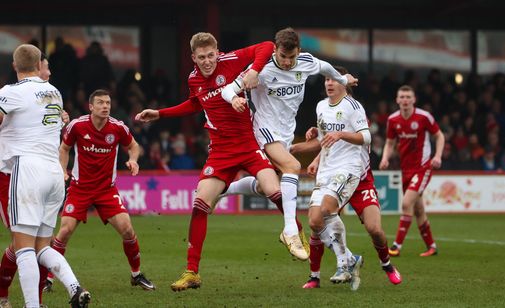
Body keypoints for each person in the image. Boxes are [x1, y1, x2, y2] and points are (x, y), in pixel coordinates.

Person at [135, 32, 305, 291]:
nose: (207, 61)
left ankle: (294, 232)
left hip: (248, 143)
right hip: (221, 150)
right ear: (193, 58)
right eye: (201, 57)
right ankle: (192, 272)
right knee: (200, 203)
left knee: (273, 189)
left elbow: (267, 46)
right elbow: (195, 104)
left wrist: (253, 71)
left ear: (218, 52)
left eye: (211, 55)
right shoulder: (193, 79)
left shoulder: (232, 60)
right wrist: (160, 113)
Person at [221, 27, 358, 256]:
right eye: (283, 57)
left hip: (285, 133)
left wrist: (342, 78)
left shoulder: (305, 62)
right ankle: (290, 230)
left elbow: (325, 67)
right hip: (263, 129)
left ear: (299, 52)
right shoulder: (261, 68)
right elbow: (227, 89)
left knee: (269, 186)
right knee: (293, 167)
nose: (286, 62)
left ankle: (223, 190)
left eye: (291, 57)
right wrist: (234, 98)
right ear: (275, 51)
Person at [290, 66, 401, 290]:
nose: (329, 83)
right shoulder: (321, 106)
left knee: (374, 229)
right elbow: (325, 140)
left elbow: (366, 137)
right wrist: (300, 151)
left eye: (334, 80)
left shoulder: (353, 106)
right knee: (315, 222)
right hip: (332, 171)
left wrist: (340, 133)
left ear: (344, 82)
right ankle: (317, 275)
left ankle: (386, 264)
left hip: (357, 174)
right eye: (326, 80)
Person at [0, 44, 90, 308]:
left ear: (15, 66)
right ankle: (74, 286)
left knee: (23, 247)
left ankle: (32, 306)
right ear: (39, 65)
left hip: (27, 170)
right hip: (54, 171)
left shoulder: (10, 92)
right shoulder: (54, 92)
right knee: (42, 246)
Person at [44, 89, 155, 292]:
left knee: (128, 230)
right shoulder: (77, 126)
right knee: (65, 231)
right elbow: (64, 149)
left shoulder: (117, 127)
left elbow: (134, 145)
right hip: (80, 188)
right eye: (101, 103)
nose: (105, 106)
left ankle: (136, 274)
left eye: (108, 103)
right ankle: (48, 279)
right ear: (91, 107)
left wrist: (133, 159)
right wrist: (62, 171)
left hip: (106, 189)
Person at [379, 85, 445, 257]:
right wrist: (385, 158)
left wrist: (437, 156)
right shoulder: (393, 120)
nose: (405, 100)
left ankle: (396, 246)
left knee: (406, 203)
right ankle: (431, 246)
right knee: (418, 210)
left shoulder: (424, 117)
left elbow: (439, 136)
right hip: (406, 169)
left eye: (408, 97)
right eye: (402, 97)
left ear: (414, 99)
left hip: (423, 167)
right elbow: (390, 143)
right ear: (397, 100)